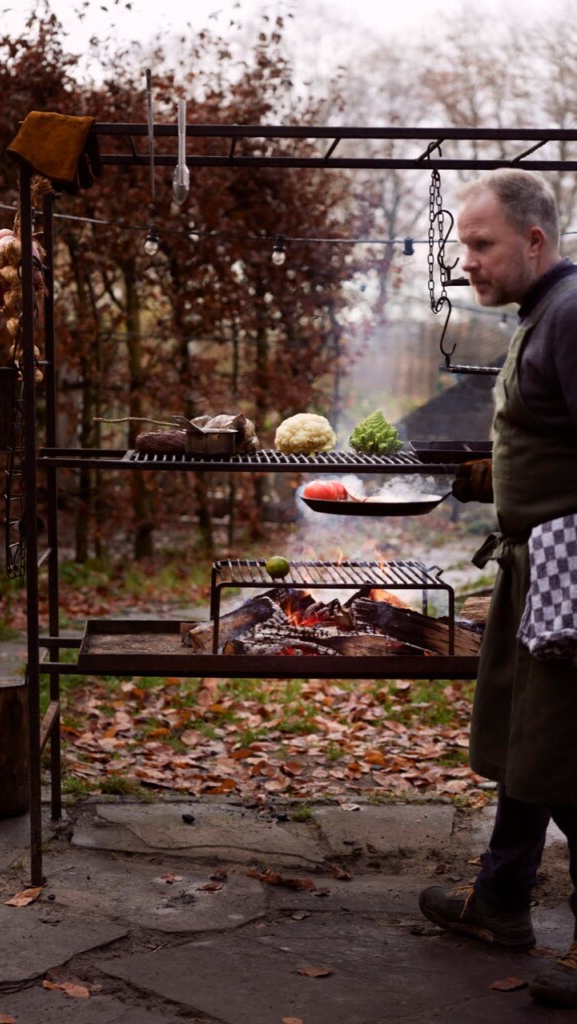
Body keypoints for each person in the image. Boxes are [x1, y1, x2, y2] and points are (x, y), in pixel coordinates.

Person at [417, 168, 577, 1009]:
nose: (467, 261)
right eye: (463, 245)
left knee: (562, 758)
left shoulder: (574, 315)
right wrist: (490, 481)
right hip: (536, 568)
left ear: (533, 241)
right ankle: (499, 901)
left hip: (571, 579)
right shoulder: (540, 315)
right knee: (529, 742)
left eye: (480, 245)